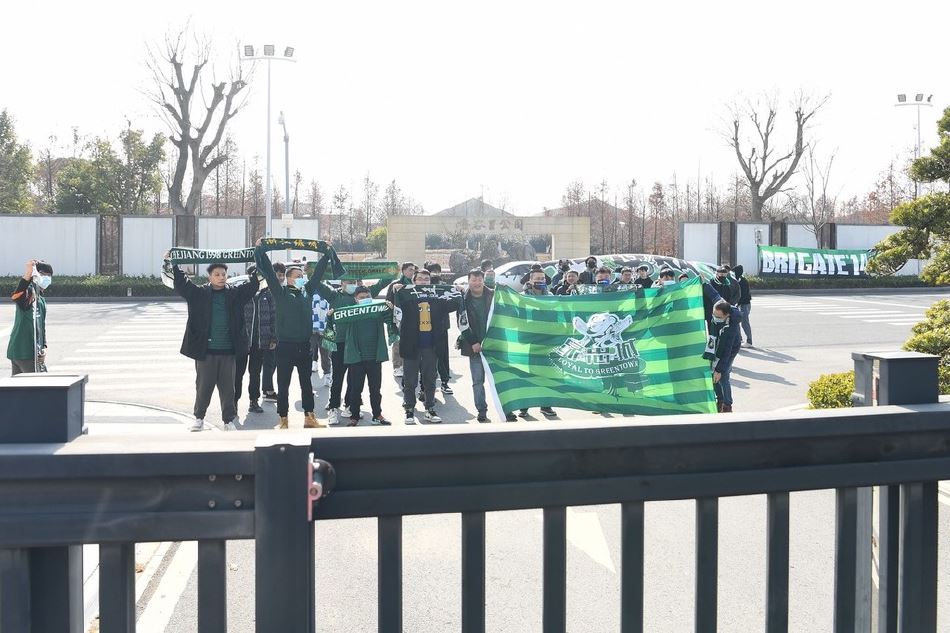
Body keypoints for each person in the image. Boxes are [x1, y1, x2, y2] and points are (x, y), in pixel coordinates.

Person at [172, 260, 258, 432]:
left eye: (224, 274)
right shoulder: (200, 294)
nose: (221, 277)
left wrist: (258, 263)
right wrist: (174, 264)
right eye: (217, 275)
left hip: (229, 352)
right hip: (206, 352)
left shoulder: (235, 294)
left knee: (228, 390)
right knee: (203, 387)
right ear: (209, 277)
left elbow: (253, 286)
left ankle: (228, 421)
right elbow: (182, 285)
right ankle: (199, 418)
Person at [311, 253, 393, 425]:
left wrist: (392, 270)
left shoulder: (364, 295)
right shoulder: (334, 296)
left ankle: (350, 406)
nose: (352, 284)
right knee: (338, 378)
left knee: (354, 380)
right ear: (341, 283)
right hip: (340, 343)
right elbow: (316, 283)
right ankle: (333, 408)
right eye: (348, 282)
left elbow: (383, 282)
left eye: (354, 282)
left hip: (358, 346)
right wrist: (314, 268)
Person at [254, 246, 325, 430]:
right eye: (297, 276)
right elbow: (269, 272)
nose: (301, 278)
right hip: (285, 347)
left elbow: (318, 274)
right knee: (283, 384)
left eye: (302, 275)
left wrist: (326, 254)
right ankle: (283, 419)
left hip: (304, 346)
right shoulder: (280, 292)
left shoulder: (307, 291)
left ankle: (309, 417)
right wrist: (260, 250)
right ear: (288, 278)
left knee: (306, 385)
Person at [392, 269, 460, 424]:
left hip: (431, 345)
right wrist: (395, 290)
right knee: (410, 381)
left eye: (426, 279)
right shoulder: (406, 296)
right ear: (414, 281)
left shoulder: (437, 298)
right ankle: (409, 410)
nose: (423, 282)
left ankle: (430, 408)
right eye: (420, 279)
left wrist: (458, 291)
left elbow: (453, 304)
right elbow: (393, 305)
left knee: (430, 379)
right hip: (411, 345)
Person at [339, 286, 393, 426]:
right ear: (355, 299)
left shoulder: (378, 311)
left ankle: (377, 415)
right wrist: (331, 315)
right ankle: (354, 417)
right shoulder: (350, 313)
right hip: (356, 358)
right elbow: (337, 320)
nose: (365, 299)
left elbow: (390, 319)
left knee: (375, 389)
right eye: (361, 298)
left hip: (375, 357)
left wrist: (390, 308)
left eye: (367, 297)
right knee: (355, 390)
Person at [509, 270, 557, 421]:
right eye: (537, 278)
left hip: (546, 340)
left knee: (547, 374)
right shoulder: (522, 296)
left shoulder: (551, 297)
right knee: (528, 373)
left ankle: (546, 405)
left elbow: (555, 316)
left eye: (542, 278)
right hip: (529, 340)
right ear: (530, 280)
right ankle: (524, 406)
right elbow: (516, 315)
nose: (540, 281)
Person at [234, 266, 277, 415]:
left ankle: (254, 401)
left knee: (255, 373)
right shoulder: (242, 291)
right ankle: (233, 402)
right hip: (242, 342)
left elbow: (274, 316)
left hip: (260, 342)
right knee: (237, 374)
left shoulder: (268, 294)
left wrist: (273, 337)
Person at [458, 269, 494, 423]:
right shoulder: (462, 299)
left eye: (480, 280)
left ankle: (507, 410)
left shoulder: (494, 295)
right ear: (468, 281)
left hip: (495, 346)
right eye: (474, 280)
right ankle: (481, 410)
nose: (477, 283)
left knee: (499, 379)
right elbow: (462, 323)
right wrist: (473, 342)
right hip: (475, 347)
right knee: (478, 381)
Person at [7, 259, 53, 375]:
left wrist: (43, 348)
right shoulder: (30, 293)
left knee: (20, 387)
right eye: (43, 274)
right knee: (40, 385)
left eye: (49, 275)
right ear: (35, 275)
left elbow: (41, 327)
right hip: (24, 351)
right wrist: (28, 273)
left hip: (30, 353)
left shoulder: (41, 299)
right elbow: (17, 296)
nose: (46, 278)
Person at [425, 262, 453, 394]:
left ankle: (444, 382)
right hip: (424, 327)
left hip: (441, 327)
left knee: (442, 356)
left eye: (437, 271)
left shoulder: (444, 286)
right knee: (426, 357)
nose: (435, 274)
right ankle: (426, 386)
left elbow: (452, 302)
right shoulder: (421, 287)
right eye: (433, 271)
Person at [710, 299, 743, 413]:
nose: (715, 318)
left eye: (718, 317)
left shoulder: (732, 327)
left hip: (731, 350)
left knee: (723, 376)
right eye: (714, 315)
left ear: (727, 315)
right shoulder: (719, 306)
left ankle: (727, 406)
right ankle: (720, 400)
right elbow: (712, 293)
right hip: (716, 346)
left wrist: (719, 369)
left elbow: (727, 351)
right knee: (713, 375)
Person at [261, 262, 286, 401]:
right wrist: (273, 337)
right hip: (270, 335)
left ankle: (267, 389)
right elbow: (270, 317)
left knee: (273, 363)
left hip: (279, 334)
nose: (281, 278)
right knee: (269, 363)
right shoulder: (268, 292)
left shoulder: (282, 290)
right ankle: (268, 391)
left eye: (283, 275)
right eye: (279, 274)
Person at [386, 262, 416, 378]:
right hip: (398, 318)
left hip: (412, 318)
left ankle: (409, 365)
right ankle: (397, 366)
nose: (412, 272)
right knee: (398, 342)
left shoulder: (415, 284)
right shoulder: (395, 284)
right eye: (410, 270)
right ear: (403, 271)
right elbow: (388, 301)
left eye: (413, 270)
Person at [311, 291, 332, 385]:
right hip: (312, 328)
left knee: (326, 355)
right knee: (309, 352)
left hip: (327, 328)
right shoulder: (307, 291)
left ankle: (328, 375)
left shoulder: (330, 291)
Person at [733, 265, 753, 347]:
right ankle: (740, 339)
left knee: (744, 323)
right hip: (741, 304)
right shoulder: (739, 280)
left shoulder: (743, 282)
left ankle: (749, 341)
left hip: (744, 304)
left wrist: (737, 303)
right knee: (737, 322)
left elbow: (743, 295)